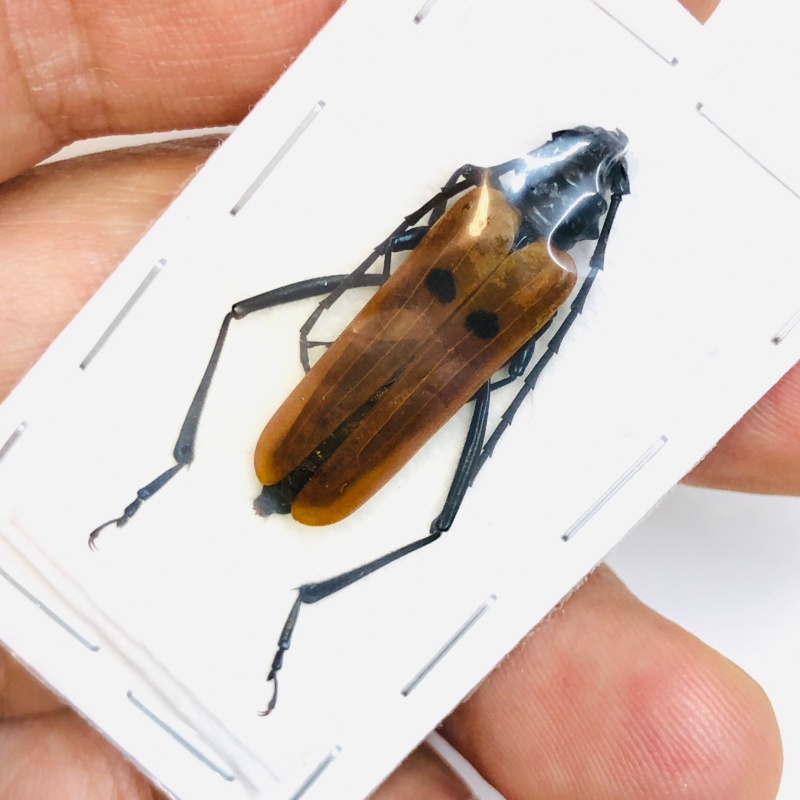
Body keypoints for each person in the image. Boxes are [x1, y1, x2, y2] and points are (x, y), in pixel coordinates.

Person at [0, 0, 788, 797]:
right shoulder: (547, 279)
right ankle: (254, 551)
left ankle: (200, 499)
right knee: (437, 517)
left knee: (244, 318)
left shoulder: (483, 213)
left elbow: (407, 252)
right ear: (595, 216)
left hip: (353, 425)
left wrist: (373, 274)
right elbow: (517, 361)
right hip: (387, 407)